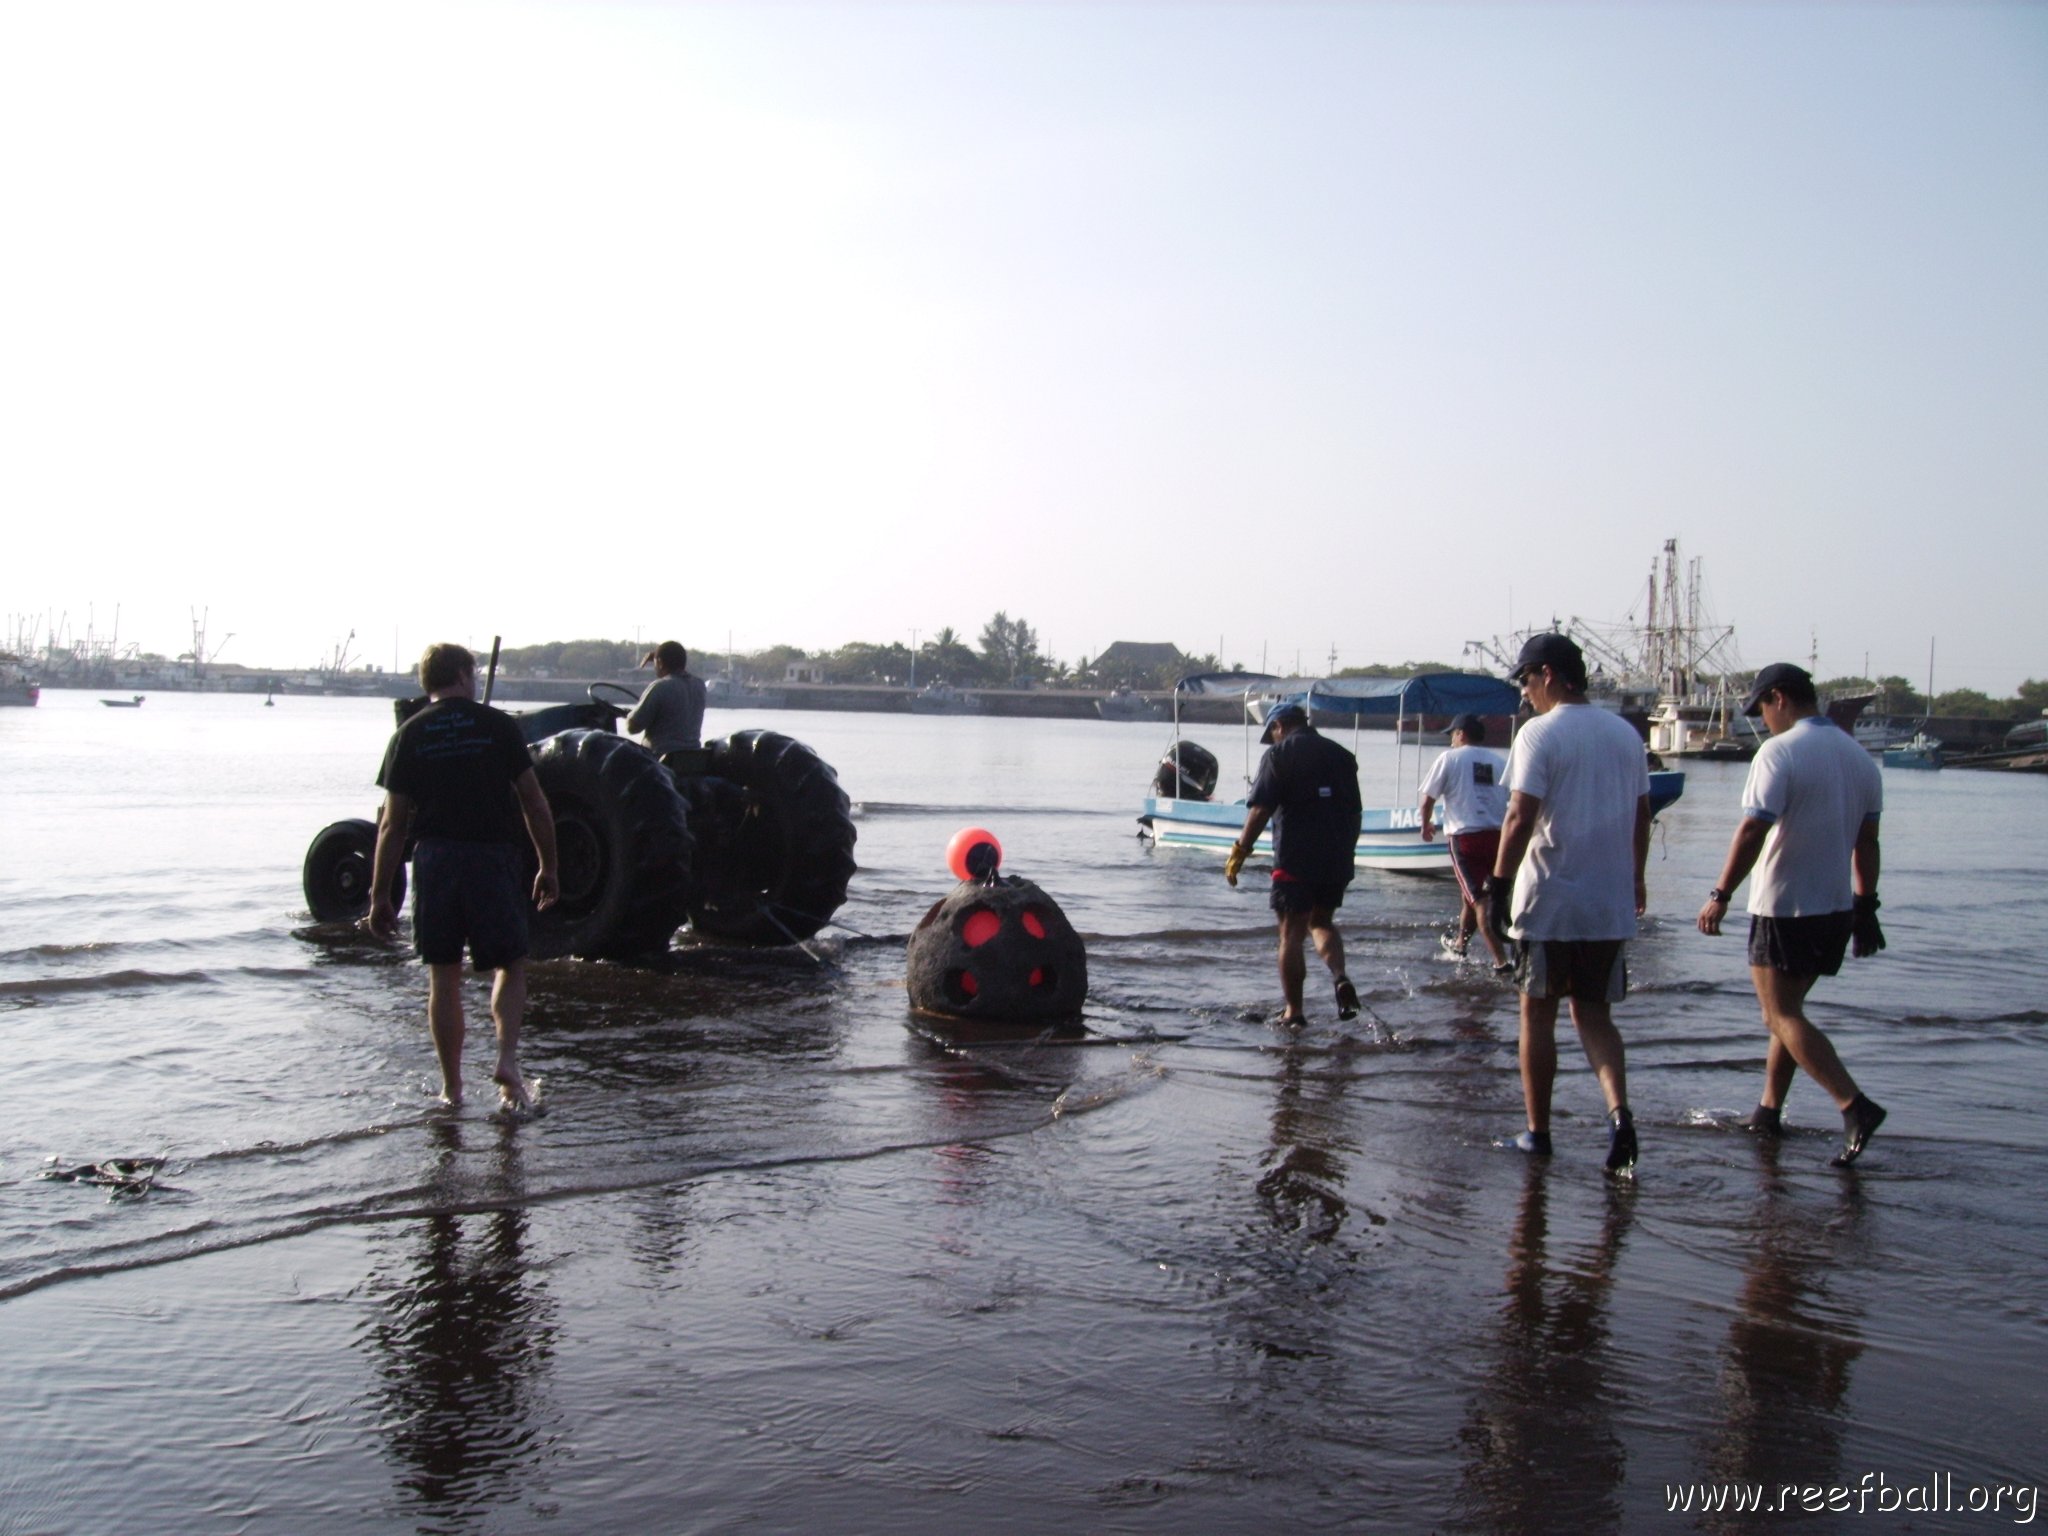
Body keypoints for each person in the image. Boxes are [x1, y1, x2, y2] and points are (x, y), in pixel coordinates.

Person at [1697, 662, 1887, 1167]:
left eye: (1761, 707)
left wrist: (1720, 893)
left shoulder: (1779, 752)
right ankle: (1768, 1111)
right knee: (1788, 1015)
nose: (1763, 719)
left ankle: (1854, 1104)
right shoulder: (1860, 758)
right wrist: (1867, 907)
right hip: (1834, 908)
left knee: (1777, 1013)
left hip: (1784, 905)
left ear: (1780, 697)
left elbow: (1753, 830)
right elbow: (1867, 842)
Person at [368, 643, 560, 1112]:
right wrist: (548, 866)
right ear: (459, 674)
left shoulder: (409, 734)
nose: (474, 678)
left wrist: (379, 895)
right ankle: (507, 1062)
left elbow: (393, 824)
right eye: (470, 671)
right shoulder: (498, 726)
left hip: (435, 860)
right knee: (510, 963)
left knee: (443, 976)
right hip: (492, 858)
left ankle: (451, 1089)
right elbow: (533, 801)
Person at [1488, 633, 1651, 1173]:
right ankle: (1620, 1115)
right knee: (1596, 1015)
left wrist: (1497, 885)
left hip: (1553, 897)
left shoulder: (1540, 733)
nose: (1526, 693)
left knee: (1537, 1013)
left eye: (1527, 681)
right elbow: (1642, 815)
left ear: (1550, 675)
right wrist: (1637, 879)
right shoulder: (1625, 735)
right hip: (1608, 901)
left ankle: (1538, 1132)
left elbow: (1519, 816)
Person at [1224, 703, 1364, 1026]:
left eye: (1271, 733)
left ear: (1279, 726)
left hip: (1295, 856)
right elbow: (1356, 814)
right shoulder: (1343, 756)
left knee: (1290, 934)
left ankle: (1294, 1012)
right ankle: (1340, 977)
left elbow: (1260, 810)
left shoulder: (1279, 755)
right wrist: (1347, 853)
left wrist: (1239, 852)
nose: (1272, 740)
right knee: (1321, 922)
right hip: (1337, 856)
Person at [1419, 711, 1511, 972]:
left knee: (1480, 900)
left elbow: (1427, 798)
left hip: (1465, 838)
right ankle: (1460, 944)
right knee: (1470, 895)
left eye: (1452, 734)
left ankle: (1501, 961)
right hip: (1496, 836)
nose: (1450, 740)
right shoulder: (1498, 761)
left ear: (1461, 734)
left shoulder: (1449, 758)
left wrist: (1426, 824)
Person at [626, 640, 708, 763]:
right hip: (690, 761)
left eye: (655, 663)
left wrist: (629, 716)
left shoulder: (660, 687)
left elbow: (632, 728)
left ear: (660, 663)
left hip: (659, 762)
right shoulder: (699, 685)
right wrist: (659, 657)